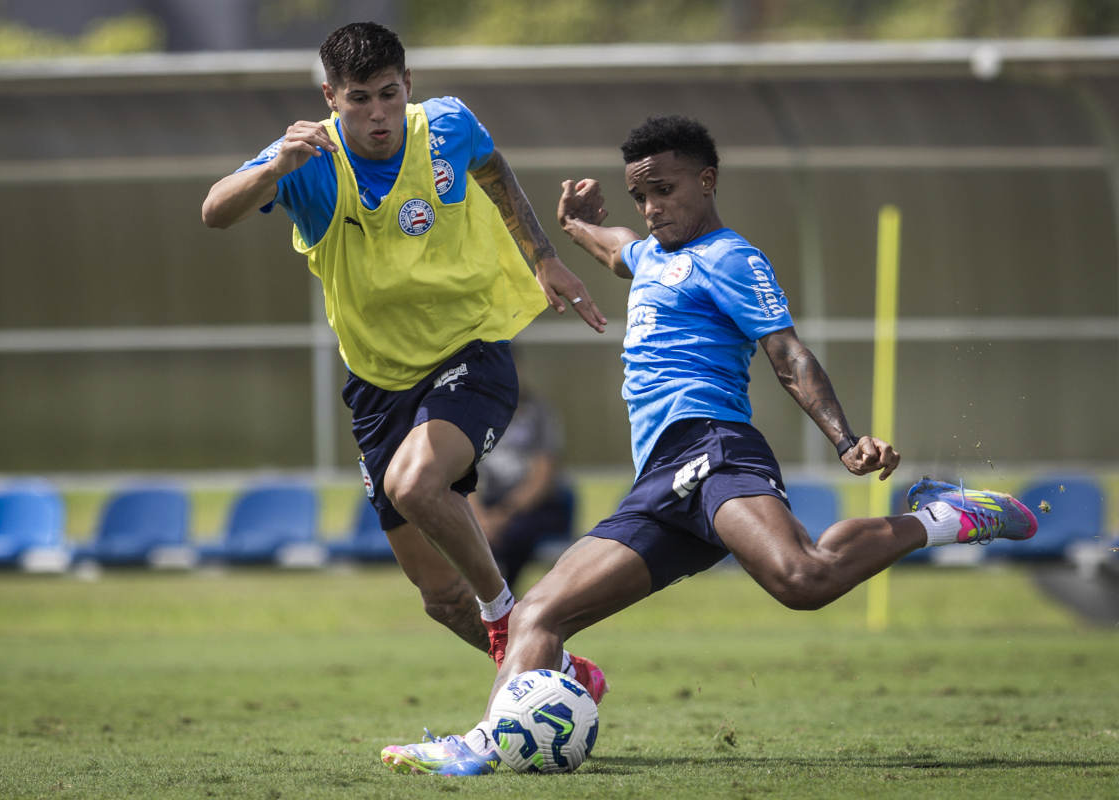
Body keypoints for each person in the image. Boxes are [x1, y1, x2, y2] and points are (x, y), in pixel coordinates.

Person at [379, 115, 1039, 776]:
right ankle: (487, 743)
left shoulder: (731, 258)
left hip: (713, 449)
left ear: (707, 179)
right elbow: (618, 249)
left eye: (663, 190)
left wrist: (845, 440)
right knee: (540, 615)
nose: (651, 207)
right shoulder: (652, 255)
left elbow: (788, 355)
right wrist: (577, 224)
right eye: (640, 197)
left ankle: (942, 516)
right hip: (659, 481)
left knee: (802, 580)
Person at [201, 22, 609, 700]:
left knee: (416, 485)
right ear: (330, 97)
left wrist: (543, 257)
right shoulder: (309, 162)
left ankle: (509, 619)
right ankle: (559, 676)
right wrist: (274, 166)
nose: (377, 114)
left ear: (409, 86)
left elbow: (492, 167)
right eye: (359, 99)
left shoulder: (446, 126)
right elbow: (214, 213)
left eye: (389, 95)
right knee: (439, 597)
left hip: (471, 349)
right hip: (379, 385)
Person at [469, 385, 575, 587]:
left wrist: (503, 515)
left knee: (514, 534)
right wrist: (481, 518)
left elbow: (542, 477)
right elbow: (460, 474)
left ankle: (502, 601)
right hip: (489, 507)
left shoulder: (539, 414)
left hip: (536, 507)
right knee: (468, 533)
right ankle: (496, 602)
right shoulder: (471, 414)